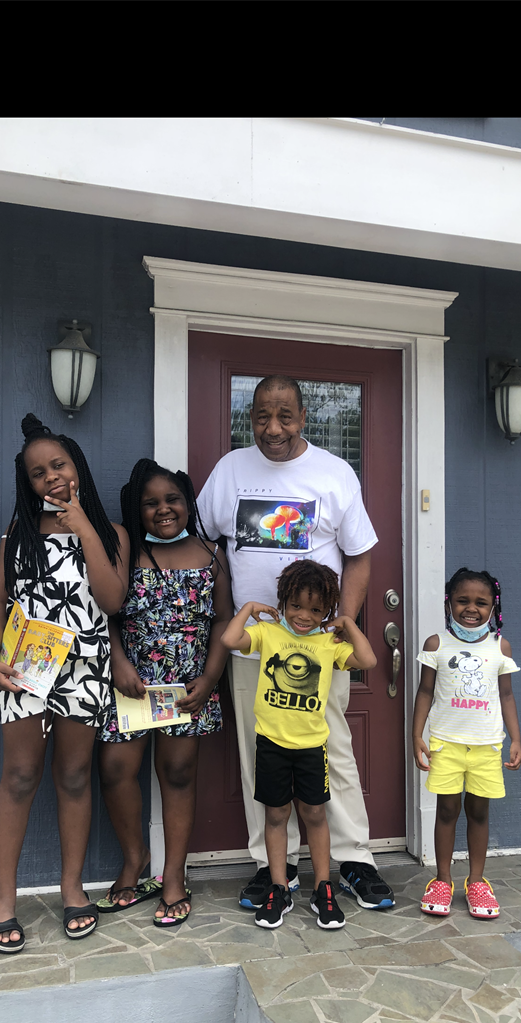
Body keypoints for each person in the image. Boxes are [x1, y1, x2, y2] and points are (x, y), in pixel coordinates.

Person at [197, 375, 395, 910]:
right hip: (255, 646)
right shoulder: (229, 471)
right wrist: (226, 615)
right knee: (259, 755)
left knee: (333, 748)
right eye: (262, 416)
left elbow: (359, 555)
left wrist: (343, 623)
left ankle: (354, 858)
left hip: (315, 647)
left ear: (303, 417)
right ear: (250, 417)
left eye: (285, 416)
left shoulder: (333, 473)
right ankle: (271, 867)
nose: (273, 428)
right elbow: (208, 544)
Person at [0, 414, 130, 954]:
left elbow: (113, 601)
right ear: (26, 484)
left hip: (85, 666)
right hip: (25, 663)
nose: (49, 477)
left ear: (78, 469)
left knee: (74, 777)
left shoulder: (109, 533)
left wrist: (84, 527)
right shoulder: (17, 534)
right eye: (36, 473)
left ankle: (73, 888)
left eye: (58, 465)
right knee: (20, 776)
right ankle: (2, 900)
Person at [97, 458, 232, 928]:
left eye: (172, 499)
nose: (163, 509)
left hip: (188, 685)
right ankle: (134, 860)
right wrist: (118, 662)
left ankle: (174, 873)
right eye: (150, 503)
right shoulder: (125, 551)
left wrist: (211, 678)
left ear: (188, 502)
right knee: (116, 769)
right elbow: (107, 614)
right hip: (131, 682)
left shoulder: (211, 554)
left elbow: (222, 621)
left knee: (177, 772)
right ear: (136, 509)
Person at [221, 560, 377, 929]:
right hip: (272, 745)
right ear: (283, 601)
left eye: (316, 609)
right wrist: (248, 610)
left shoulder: (328, 643)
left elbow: (367, 660)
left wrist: (349, 624)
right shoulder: (270, 634)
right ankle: (279, 888)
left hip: (311, 748)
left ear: (327, 612)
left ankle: (323, 888)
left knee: (315, 814)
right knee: (276, 815)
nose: (304, 616)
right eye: (296, 606)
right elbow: (230, 640)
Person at [413, 567, 521, 919]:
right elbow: (425, 691)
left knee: (479, 812)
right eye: (462, 600)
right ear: (449, 603)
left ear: (494, 607)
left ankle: (476, 881)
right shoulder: (437, 644)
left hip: (487, 746)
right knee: (446, 811)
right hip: (446, 744)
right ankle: (442, 879)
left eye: (481, 602)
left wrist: (516, 739)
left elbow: (506, 696)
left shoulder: (499, 647)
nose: (471, 608)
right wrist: (416, 735)